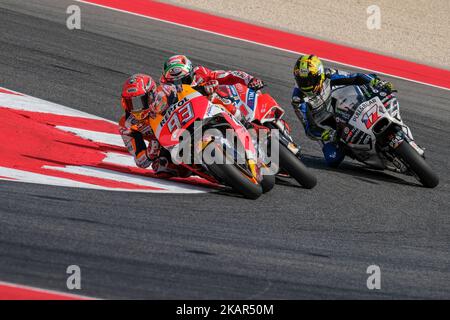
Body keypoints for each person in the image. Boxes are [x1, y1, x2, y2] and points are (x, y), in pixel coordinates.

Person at [291, 54, 395, 167]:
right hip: (326, 125)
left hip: (342, 105)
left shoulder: (329, 74)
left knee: (372, 93)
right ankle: (354, 150)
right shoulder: (298, 99)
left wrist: (375, 81)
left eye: (310, 80)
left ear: (319, 75)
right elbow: (309, 128)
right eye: (302, 81)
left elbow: (355, 77)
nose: (307, 84)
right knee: (333, 159)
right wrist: (324, 134)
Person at [119, 73, 187, 176]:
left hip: (186, 123)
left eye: (141, 101)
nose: (136, 108)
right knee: (160, 166)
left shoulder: (167, 91)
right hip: (168, 144)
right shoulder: (127, 124)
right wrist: (149, 154)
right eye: (131, 103)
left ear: (151, 95)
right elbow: (140, 161)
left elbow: (188, 94)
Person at [160, 54, 265, 117]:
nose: (181, 84)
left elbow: (227, 75)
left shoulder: (200, 73)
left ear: (191, 72)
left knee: (221, 91)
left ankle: (245, 117)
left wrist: (250, 79)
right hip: (197, 121)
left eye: (184, 79)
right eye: (175, 82)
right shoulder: (166, 91)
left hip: (223, 108)